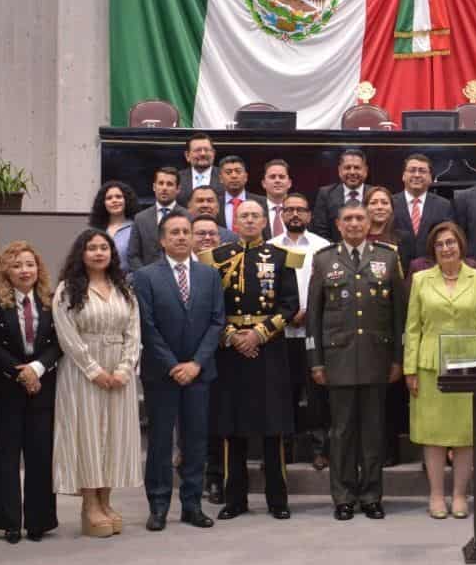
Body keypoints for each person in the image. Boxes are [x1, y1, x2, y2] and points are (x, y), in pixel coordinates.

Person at [308, 202, 407, 520]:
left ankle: (372, 495)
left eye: (359, 218)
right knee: (342, 432)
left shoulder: (388, 257)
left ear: (369, 223)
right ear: (338, 224)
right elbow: (314, 316)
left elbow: (398, 315)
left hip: (377, 359)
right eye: (348, 219)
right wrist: (316, 361)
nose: (353, 224)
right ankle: (343, 496)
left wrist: (398, 359)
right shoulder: (324, 260)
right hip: (337, 360)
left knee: (374, 431)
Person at [132, 212, 224, 532]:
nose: (183, 237)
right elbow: (147, 326)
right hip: (162, 374)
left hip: (200, 372)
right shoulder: (144, 277)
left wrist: (196, 363)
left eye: (187, 232)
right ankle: (158, 505)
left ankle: (192, 504)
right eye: (175, 232)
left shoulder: (209, 275)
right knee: (159, 441)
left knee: (196, 440)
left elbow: (217, 322)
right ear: (162, 240)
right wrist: (173, 365)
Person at [209, 199, 300, 520]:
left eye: (255, 216)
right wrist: (233, 336)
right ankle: (235, 499)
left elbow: (290, 305)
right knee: (231, 427)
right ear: (235, 221)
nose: (249, 220)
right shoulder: (217, 258)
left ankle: (278, 499)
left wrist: (258, 334)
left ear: (265, 221)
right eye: (243, 215)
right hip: (230, 351)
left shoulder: (280, 258)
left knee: (273, 427)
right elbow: (211, 307)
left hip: (268, 348)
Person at [52, 228, 143, 538]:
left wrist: (124, 368)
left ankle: (106, 501)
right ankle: (89, 505)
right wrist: (94, 370)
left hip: (119, 374)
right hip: (83, 372)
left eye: (104, 247)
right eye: (92, 248)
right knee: (87, 436)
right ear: (82, 253)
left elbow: (134, 332)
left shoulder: (124, 289)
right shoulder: (68, 289)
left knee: (114, 437)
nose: (99, 253)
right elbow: (67, 335)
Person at [403, 221, 476, 519]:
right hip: (430, 366)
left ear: (461, 245)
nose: (446, 248)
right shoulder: (420, 280)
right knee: (434, 434)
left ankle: (459, 495)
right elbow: (413, 328)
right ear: (433, 249)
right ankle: (436, 495)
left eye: (451, 242)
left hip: (470, 366)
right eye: (440, 244)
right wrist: (410, 370)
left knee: (466, 434)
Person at [0, 241, 61, 544]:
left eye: (29, 264)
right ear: (5, 270)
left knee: (40, 455)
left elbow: (59, 342)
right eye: (16, 265)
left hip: (42, 387)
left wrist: (38, 369)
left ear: (38, 268)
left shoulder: (50, 299)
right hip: (8, 387)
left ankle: (38, 521)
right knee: (7, 456)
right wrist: (21, 372)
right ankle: (9, 522)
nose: (24, 270)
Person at [271, 193, 332, 469]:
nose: (295, 214)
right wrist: (287, 314)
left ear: (310, 215)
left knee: (317, 394)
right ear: (281, 214)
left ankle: (320, 449)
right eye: (290, 210)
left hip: (314, 331)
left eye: (301, 210)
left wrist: (310, 312)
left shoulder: (323, 247)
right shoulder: (269, 247)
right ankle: (285, 448)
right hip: (280, 332)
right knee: (284, 393)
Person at [393, 152, 451, 270]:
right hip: (396, 271)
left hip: (432, 271)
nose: (417, 175)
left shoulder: (444, 205)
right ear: (403, 175)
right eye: (412, 170)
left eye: (422, 171)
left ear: (430, 178)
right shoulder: (390, 203)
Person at [129, 165, 182, 270]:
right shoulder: (140, 218)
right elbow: (133, 255)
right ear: (154, 187)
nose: (164, 188)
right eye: (161, 183)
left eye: (169, 184)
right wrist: (145, 276)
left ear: (178, 189)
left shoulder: (187, 217)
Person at [311, 147, 370, 240]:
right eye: (347, 168)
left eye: (357, 168)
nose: (352, 172)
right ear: (339, 171)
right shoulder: (325, 194)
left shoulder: (375, 194)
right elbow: (320, 232)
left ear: (365, 171)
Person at [89, 179, 141, 269]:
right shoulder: (95, 231)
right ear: (103, 203)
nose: (114, 201)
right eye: (109, 198)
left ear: (127, 200)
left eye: (118, 197)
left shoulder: (136, 228)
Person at [216, 155, 266, 234]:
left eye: (238, 171)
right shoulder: (214, 203)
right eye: (228, 172)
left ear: (246, 177)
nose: (234, 176)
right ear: (221, 178)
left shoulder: (262, 202)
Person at [176, 131, 221, 206]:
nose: (203, 154)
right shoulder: (177, 179)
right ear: (187, 156)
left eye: (206, 150)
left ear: (213, 153)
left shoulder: (225, 177)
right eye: (198, 150)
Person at [261, 158, 294, 238]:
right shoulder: (256, 211)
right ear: (264, 183)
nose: (277, 180)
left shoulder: (299, 211)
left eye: (281, 177)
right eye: (272, 177)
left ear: (289, 183)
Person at [364, 183, 401, 251]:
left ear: (392, 208)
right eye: (373, 203)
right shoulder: (357, 238)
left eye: (385, 203)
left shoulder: (403, 239)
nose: (379, 207)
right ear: (365, 208)